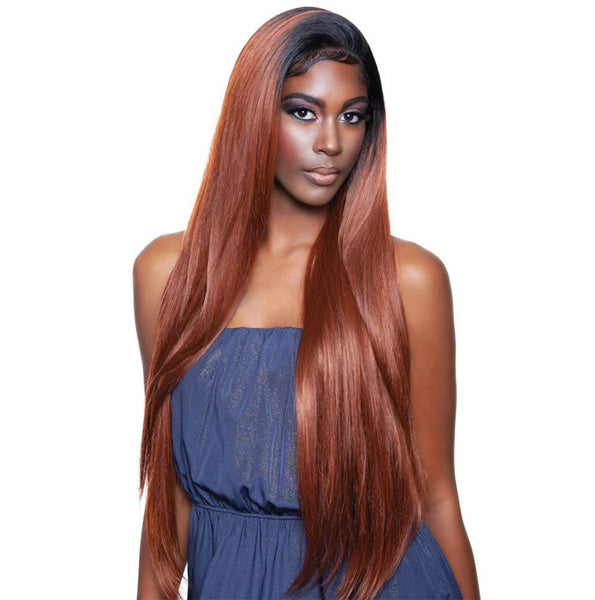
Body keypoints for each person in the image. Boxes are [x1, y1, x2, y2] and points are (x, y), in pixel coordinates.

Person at [134, 7, 480, 600]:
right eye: (303, 112)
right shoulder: (169, 274)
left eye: (352, 116)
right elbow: (171, 491)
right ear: (253, 115)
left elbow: (437, 494)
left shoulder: (409, 279)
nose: (331, 143)